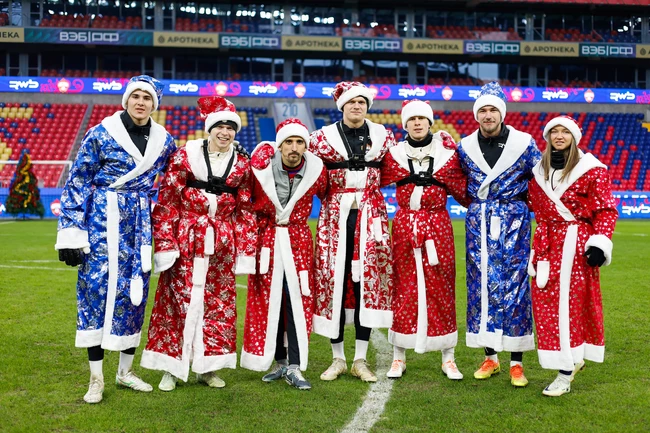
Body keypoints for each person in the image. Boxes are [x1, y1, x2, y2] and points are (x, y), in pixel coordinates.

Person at [55, 75, 176, 404]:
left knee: (134, 295)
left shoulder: (164, 141)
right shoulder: (100, 133)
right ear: (126, 100)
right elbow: (78, 181)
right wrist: (71, 232)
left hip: (139, 226)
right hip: (101, 221)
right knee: (95, 293)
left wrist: (227, 151)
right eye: (135, 96)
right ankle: (96, 378)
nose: (141, 102)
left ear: (154, 104)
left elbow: (182, 172)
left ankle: (125, 372)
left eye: (147, 98)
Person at [140, 96, 257, 392]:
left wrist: (244, 250)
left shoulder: (242, 165)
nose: (225, 132)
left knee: (217, 306)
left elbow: (245, 209)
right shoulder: (184, 156)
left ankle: (208, 367)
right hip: (186, 242)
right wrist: (166, 245)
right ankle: (171, 368)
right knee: (176, 303)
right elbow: (167, 202)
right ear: (210, 128)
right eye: (220, 127)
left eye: (230, 128)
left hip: (222, 246)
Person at [310, 81, 396, 383]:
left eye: (362, 102)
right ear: (342, 106)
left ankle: (360, 358)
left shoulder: (384, 136)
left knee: (366, 283)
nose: (357, 106)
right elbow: (311, 175)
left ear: (367, 107)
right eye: (351, 102)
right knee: (333, 281)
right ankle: (338, 358)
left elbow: (394, 169)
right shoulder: (320, 139)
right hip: (335, 216)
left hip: (371, 215)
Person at [457, 81, 541, 387]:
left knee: (515, 287)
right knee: (481, 286)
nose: (488, 115)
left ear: (502, 113)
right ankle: (490, 357)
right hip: (479, 221)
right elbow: (457, 183)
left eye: (493, 110)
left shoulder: (524, 144)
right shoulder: (465, 147)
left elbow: (540, 180)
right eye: (483, 111)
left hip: (514, 222)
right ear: (476, 115)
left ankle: (517, 363)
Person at [527, 116, 618, 396]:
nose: (559, 135)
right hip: (546, 246)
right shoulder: (538, 172)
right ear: (547, 137)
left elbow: (606, 210)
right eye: (553, 131)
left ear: (574, 137)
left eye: (564, 131)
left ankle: (565, 372)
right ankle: (569, 360)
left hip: (576, 247)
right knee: (545, 306)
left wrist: (599, 243)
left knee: (570, 306)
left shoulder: (592, 170)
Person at [380, 100, 469, 380]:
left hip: (438, 225)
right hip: (405, 225)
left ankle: (448, 357)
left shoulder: (447, 155)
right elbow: (372, 179)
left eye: (422, 118)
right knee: (403, 286)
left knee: (442, 286)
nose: (417, 123)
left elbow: (464, 192)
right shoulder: (393, 155)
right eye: (412, 119)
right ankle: (398, 356)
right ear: (405, 124)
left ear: (430, 122)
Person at [241, 118, 328, 390]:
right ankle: (280, 361)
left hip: (298, 240)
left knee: (298, 301)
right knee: (271, 300)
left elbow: (329, 196)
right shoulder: (260, 169)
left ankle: (295, 365)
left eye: (299, 142)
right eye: (288, 142)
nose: (294, 147)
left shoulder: (317, 171)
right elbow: (244, 200)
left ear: (306, 146)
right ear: (279, 145)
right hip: (267, 240)